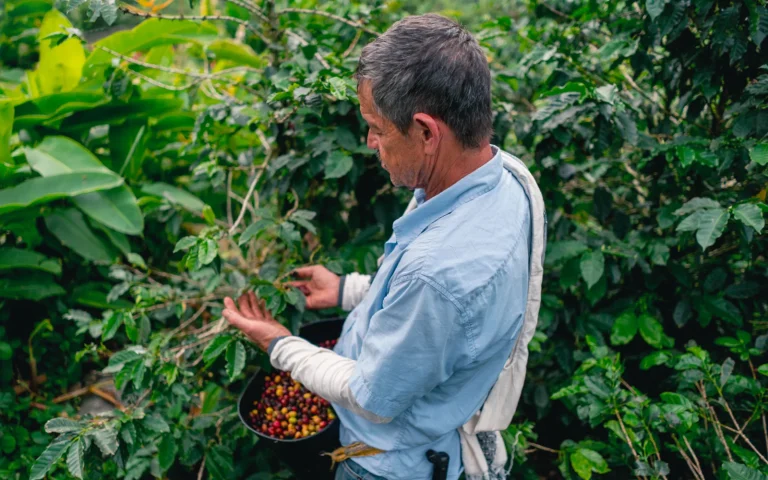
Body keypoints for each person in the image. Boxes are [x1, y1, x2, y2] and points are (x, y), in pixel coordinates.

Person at [223, 13, 546, 480]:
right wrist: (349, 291)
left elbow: (372, 397)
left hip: (387, 463)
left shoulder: (435, 275)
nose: (370, 142)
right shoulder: (506, 178)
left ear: (427, 132)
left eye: (376, 127)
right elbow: (451, 317)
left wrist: (278, 344)